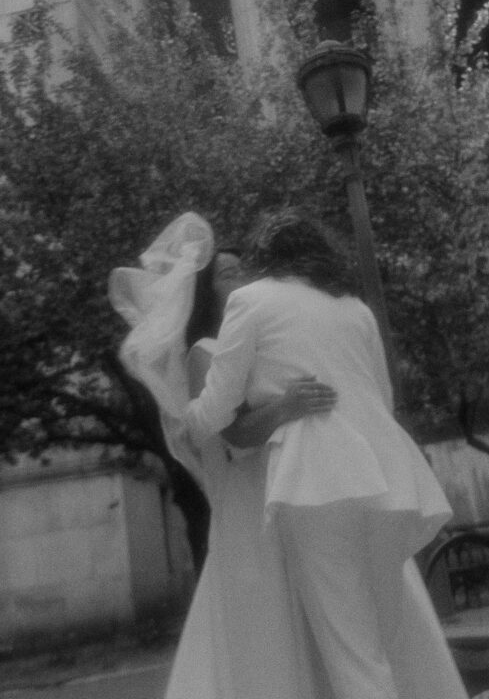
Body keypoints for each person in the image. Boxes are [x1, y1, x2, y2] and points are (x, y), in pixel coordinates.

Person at [186, 208, 469, 699]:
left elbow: (214, 413)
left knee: (352, 651)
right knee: (387, 638)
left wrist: (179, 417)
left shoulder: (251, 302)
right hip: (390, 481)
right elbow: (382, 398)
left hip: (316, 484)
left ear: (265, 256)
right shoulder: (354, 308)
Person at [108, 212, 337, 699]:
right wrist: (287, 407)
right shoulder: (203, 355)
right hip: (247, 510)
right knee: (264, 636)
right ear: (205, 294)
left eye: (244, 272)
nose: (244, 281)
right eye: (230, 274)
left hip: (279, 499)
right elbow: (231, 439)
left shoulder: (256, 342)